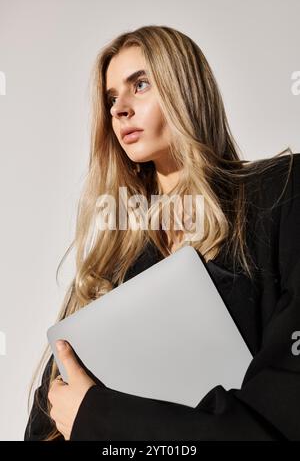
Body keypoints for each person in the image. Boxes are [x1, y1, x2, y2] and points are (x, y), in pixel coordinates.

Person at [24, 25, 300, 441]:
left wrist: (102, 418)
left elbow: (282, 410)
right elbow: (52, 419)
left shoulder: (281, 192)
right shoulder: (111, 260)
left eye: (140, 84)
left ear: (186, 90)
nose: (119, 109)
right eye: (111, 98)